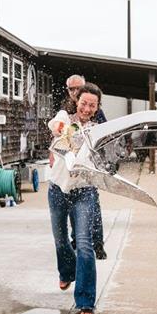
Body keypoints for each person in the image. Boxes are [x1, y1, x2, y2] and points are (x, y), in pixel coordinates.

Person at [47, 82, 104, 314]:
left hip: (84, 191)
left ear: (97, 107)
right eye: (84, 103)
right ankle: (67, 271)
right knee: (61, 240)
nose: (87, 108)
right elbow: (55, 124)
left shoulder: (99, 129)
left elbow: (105, 157)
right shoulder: (65, 117)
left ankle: (85, 301)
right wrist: (60, 128)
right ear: (76, 102)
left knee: (84, 244)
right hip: (58, 188)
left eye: (92, 105)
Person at [58, 75, 107, 259]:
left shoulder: (93, 108)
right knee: (72, 205)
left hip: (90, 165)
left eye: (78, 88)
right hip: (71, 168)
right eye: (71, 89)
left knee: (93, 204)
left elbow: (104, 138)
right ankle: (77, 239)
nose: (74, 92)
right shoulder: (66, 109)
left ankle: (98, 242)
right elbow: (59, 133)